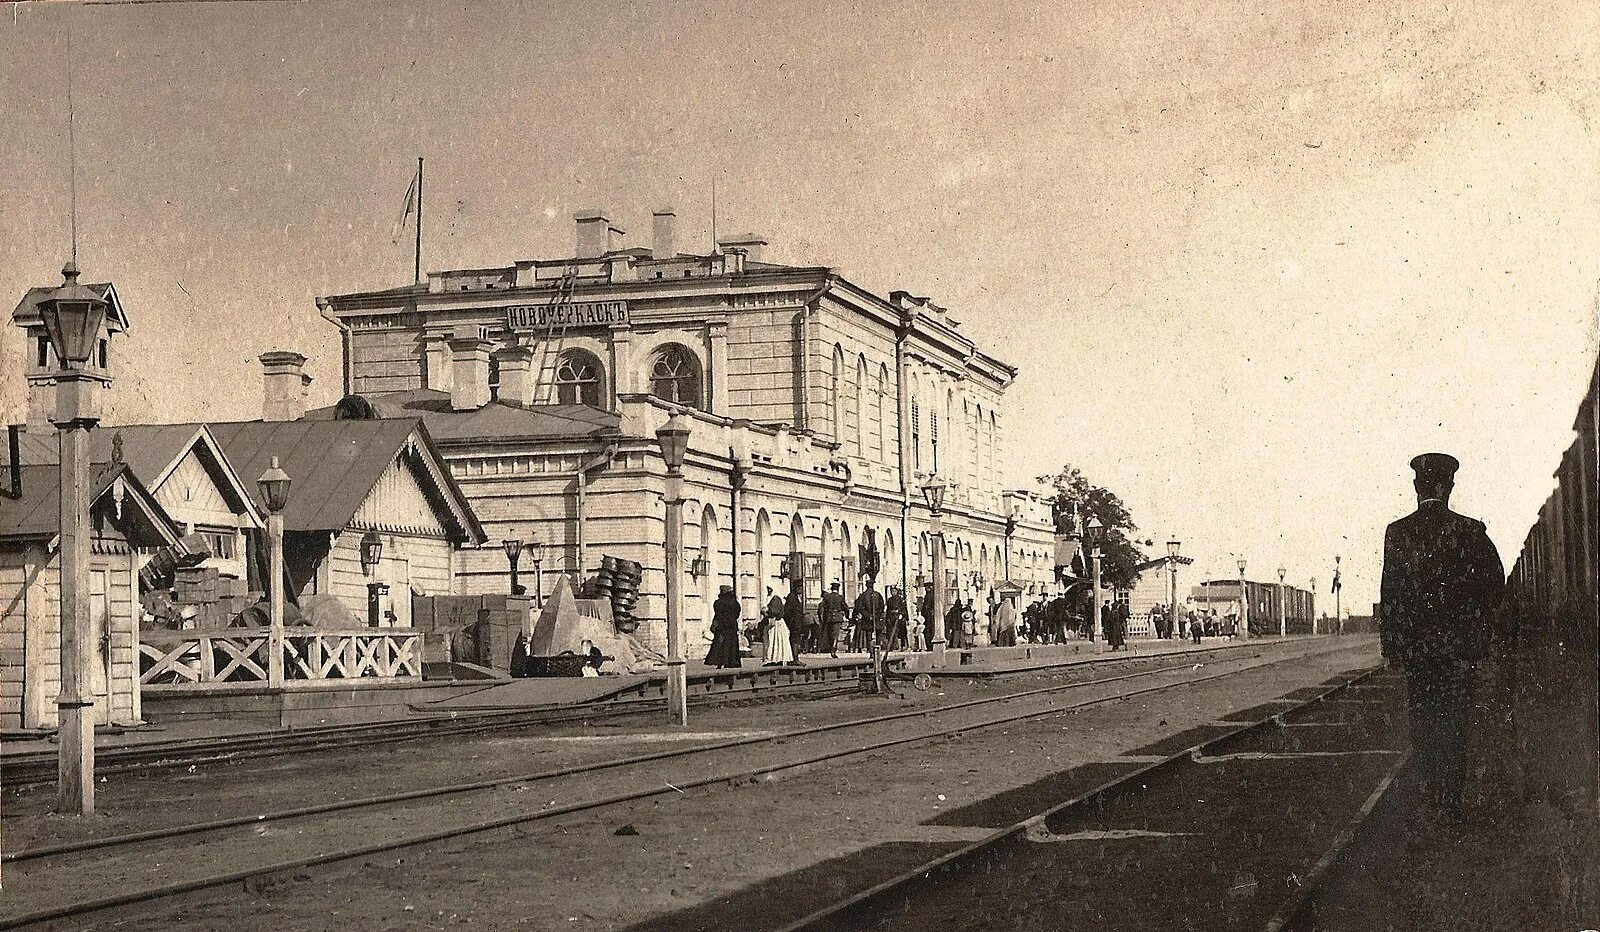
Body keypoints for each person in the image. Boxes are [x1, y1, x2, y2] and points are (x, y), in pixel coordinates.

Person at [1380, 452, 1504, 823]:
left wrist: (1394, 647)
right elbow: (1495, 586)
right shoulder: (1471, 531)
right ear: (1447, 487)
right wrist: (1476, 633)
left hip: (1419, 654)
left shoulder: (1398, 532)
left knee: (1424, 721)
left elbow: (1391, 592)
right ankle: (1451, 804)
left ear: (1418, 487)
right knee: (1455, 723)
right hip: (1459, 651)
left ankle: (1431, 797)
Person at [704, 585, 743, 668]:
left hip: (721, 626)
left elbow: (717, 613)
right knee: (731, 645)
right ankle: (731, 662)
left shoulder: (718, 602)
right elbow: (737, 613)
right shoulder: (734, 602)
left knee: (720, 644)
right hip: (731, 626)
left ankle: (719, 662)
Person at [762, 586, 795, 666]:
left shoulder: (775, 599)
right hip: (776, 623)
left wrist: (766, 612)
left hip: (776, 623)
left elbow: (774, 611)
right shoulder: (771, 598)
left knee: (775, 641)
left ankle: (775, 659)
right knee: (777, 642)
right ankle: (776, 659)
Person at [852, 579, 887, 653]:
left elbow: (860, 608)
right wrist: (877, 615)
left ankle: (870, 649)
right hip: (877, 618)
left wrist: (868, 616)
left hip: (867, 619)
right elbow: (882, 606)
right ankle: (877, 648)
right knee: (878, 633)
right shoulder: (878, 595)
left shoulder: (863, 596)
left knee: (869, 635)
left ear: (866, 586)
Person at [820, 581, 849, 658]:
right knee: (835, 635)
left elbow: (821, 607)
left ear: (831, 588)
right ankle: (833, 650)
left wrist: (821, 617)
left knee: (829, 634)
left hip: (828, 617)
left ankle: (830, 648)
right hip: (837, 617)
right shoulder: (840, 597)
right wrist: (847, 616)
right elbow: (845, 608)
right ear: (838, 589)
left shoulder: (827, 597)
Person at [783, 585, 808, 663]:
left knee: (797, 640)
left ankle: (795, 658)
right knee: (795, 640)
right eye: (799, 588)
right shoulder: (792, 597)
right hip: (794, 623)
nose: (800, 589)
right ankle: (795, 659)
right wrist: (791, 621)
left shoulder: (797, 597)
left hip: (797, 623)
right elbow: (788, 611)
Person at [885, 586, 909, 652]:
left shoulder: (900, 599)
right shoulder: (889, 600)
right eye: (892, 591)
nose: (893, 593)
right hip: (891, 617)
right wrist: (887, 618)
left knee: (901, 632)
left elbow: (904, 609)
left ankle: (902, 646)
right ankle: (892, 646)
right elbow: (888, 610)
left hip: (899, 618)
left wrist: (902, 615)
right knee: (891, 632)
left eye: (894, 591)